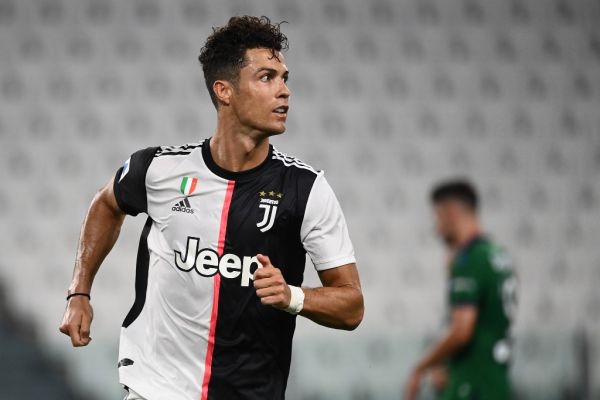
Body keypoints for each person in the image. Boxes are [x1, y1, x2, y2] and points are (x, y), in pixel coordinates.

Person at [59, 16, 364, 400]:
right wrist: (79, 293)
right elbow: (106, 204)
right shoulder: (158, 170)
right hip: (157, 390)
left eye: (285, 78)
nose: (284, 91)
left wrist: (293, 296)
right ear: (225, 91)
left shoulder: (307, 189)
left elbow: (352, 305)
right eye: (267, 77)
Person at [404, 180, 517, 400]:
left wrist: (422, 367)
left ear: (452, 212)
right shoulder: (498, 255)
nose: (436, 228)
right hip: (496, 381)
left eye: (437, 216)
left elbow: (462, 331)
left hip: (471, 385)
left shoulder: (470, 259)